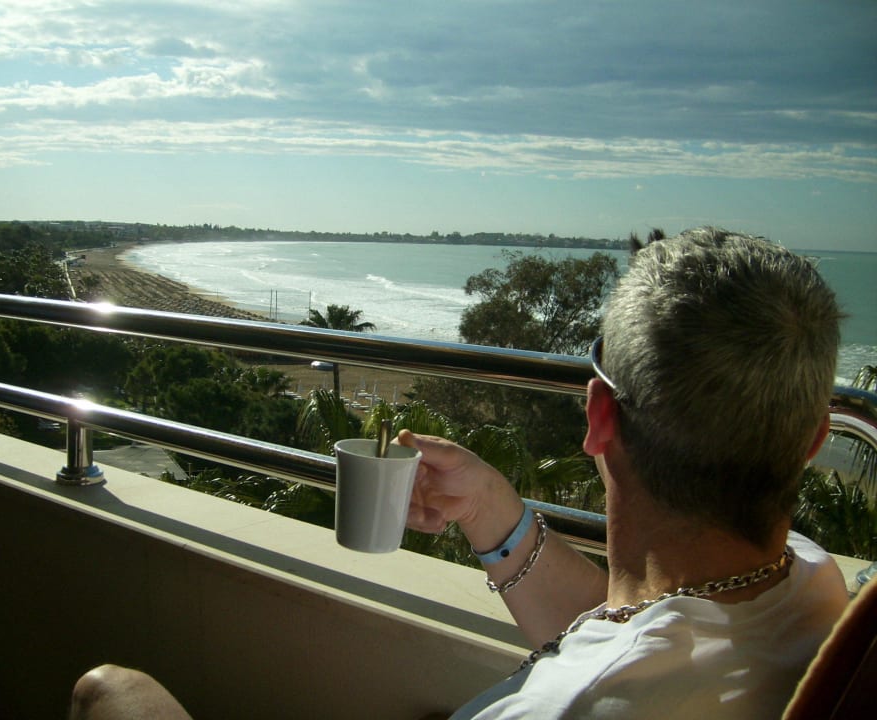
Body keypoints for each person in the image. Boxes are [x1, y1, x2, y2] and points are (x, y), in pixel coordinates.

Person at [70, 228, 847, 719]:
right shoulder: (817, 588)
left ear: (599, 417)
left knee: (110, 690)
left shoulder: (571, 704)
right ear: (812, 439)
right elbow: (641, 625)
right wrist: (495, 515)